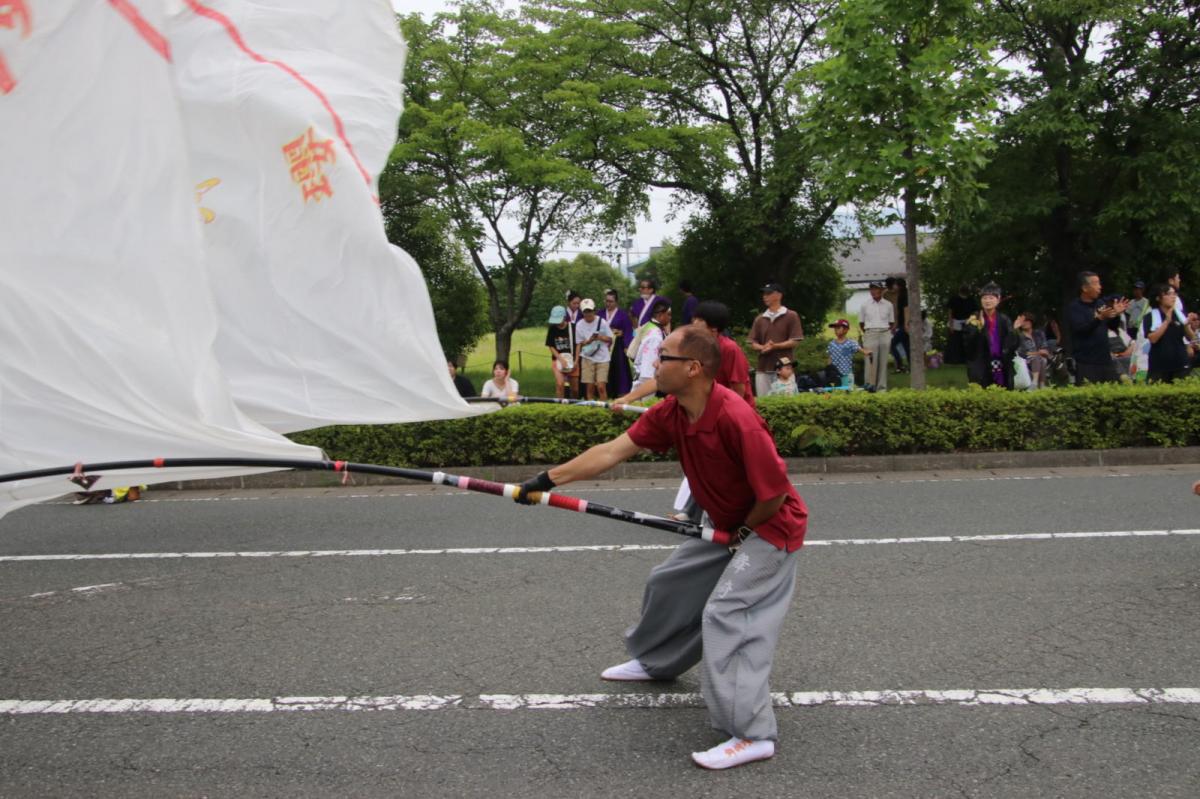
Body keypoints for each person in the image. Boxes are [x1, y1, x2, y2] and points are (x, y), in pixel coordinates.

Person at [515, 325, 809, 770]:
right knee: (670, 582)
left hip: (769, 530)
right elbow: (611, 452)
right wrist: (544, 482)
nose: (655, 364)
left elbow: (773, 493)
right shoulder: (671, 412)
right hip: (729, 524)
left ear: (693, 368)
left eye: (664, 357)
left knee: (729, 614)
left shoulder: (736, 417)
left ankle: (752, 734)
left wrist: (743, 533)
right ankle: (658, 662)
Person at [1067, 271, 1129, 384]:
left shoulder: (1100, 303)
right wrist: (1098, 319)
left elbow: (1112, 325)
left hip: (1105, 359)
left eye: (1099, 283)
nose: (1099, 287)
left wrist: (1117, 314)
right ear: (1085, 288)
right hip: (1086, 362)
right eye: (1095, 284)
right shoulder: (1075, 307)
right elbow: (1081, 329)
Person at [691, 300, 754, 407]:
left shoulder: (730, 349)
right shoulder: (696, 347)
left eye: (700, 319)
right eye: (695, 318)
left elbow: (738, 389)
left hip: (731, 410)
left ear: (714, 328)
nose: (694, 323)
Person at [748, 282, 804, 397]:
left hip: (785, 369)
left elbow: (795, 340)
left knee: (787, 403)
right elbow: (752, 342)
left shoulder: (791, 315)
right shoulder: (760, 318)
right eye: (764, 294)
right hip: (763, 367)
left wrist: (775, 346)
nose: (765, 296)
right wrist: (763, 347)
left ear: (779, 295)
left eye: (768, 293)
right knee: (764, 403)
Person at [613, 297, 672, 404]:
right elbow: (648, 369)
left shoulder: (650, 326)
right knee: (643, 411)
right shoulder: (655, 335)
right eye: (668, 314)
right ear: (660, 315)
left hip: (642, 379)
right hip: (646, 381)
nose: (670, 317)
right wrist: (648, 389)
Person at [962, 282, 1019, 388]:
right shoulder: (974, 318)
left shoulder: (1004, 319)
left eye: (991, 298)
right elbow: (968, 342)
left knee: (1001, 390)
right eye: (984, 298)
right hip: (981, 363)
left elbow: (1011, 343)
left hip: (1000, 362)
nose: (987, 301)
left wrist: (1014, 331)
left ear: (998, 299)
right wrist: (980, 328)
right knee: (982, 392)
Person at [1141, 283, 1195, 383]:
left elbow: (1191, 337)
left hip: (1180, 363)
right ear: (1158, 298)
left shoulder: (1180, 314)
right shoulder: (1150, 316)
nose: (1173, 296)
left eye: (1174, 294)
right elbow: (1153, 339)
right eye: (1168, 294)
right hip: (1159, 365)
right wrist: (1166, 321)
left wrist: (1187, 324)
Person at [574, 298, 613, 401]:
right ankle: (591, 410)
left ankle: (604, 409)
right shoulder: (579, 324)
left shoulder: (602, 322)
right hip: (587, 357)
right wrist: (588, 341)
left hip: (603, 358)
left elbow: (610, 339)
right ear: (582, 312)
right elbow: (579, 343)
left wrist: (599, 337)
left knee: (601, 387)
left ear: (594, 310)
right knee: (589, 388)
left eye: (590, 311)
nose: (588, 314)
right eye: (585, 311)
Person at [859, 281, 895, 392]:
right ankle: (869, 387)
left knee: (883, 362)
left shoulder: (889, 305)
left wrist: (886, 333)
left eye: (876, 289)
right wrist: (869, 332)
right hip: (870, 333)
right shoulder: (865, 305)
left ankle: (881, 389)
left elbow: (891, 322)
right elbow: (861, 323)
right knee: (870, 362)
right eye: (872, 289)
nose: (874, 291)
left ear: (882, 290)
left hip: (885, 333)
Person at [599, 289, 634, 398]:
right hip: (602, 344)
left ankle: (621, 391)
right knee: (603, 367)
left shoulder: (623, 315)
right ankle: (605, 391)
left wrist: (626, 345)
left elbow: (628, 331)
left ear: (616, 302)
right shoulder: (599, 313)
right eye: (606, 301)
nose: (608, 303)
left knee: (619, 368)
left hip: (617, 346)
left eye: (611, 301)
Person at [826, 319, 870, 387]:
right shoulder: (831, 344)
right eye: (835, 328)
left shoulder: (851, 343)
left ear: (846, 330)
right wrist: (828, 371)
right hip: (835, 375)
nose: (835, 330)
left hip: (847, 374)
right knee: (836, 392)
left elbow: (860, 349)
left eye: (838, 328)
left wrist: (866, 352)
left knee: (847, 391)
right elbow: (829, 358)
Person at [545, 305, 576, 399]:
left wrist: (576, 360)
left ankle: (575, 406)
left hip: (572, 360)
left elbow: (579, 344)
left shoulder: (573, 328)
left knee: (575, 389)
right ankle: (559, 406)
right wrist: (560, 359)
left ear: (564, 317)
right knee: (560, 384)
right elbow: (551, 346)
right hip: (557, 359)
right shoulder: (552, 329)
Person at [1014, 313, 1051, 389]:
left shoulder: (1039, 333)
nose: (1024, 323)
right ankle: (1038, 384)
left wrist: (1036, 353)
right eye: (1022, 321)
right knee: (1039, 358)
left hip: (1041, 360)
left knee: (1042, 360)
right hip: (1025, 361)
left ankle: (1036, 384)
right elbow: (1021, 353)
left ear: (1031, 321)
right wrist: (1038, 353)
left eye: (1026, 320)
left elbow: (1045, 350)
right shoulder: (1019, 336)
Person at [945, 284, 977, 364]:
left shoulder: (971, 300)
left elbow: (976, 312)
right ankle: (954, 360)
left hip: (966, 322)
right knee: (955, 342)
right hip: (956, 322)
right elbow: (950, 313)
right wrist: (951, 325)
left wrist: (972, 321)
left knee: (965, 342)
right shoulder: (954, 299)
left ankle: (965, 359)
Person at [889, 277, 910, 373]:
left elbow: (906, 310)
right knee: (906, 346)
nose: (893, 286)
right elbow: (898, 312)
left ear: (899, 286)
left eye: (895, 284)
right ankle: (910, 366)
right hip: (901, 324)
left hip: (904, 325)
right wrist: (895, 325)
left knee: (892, 344)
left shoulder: (904, 295)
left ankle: (900, 365)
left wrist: (906, 324)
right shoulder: (900, 295)